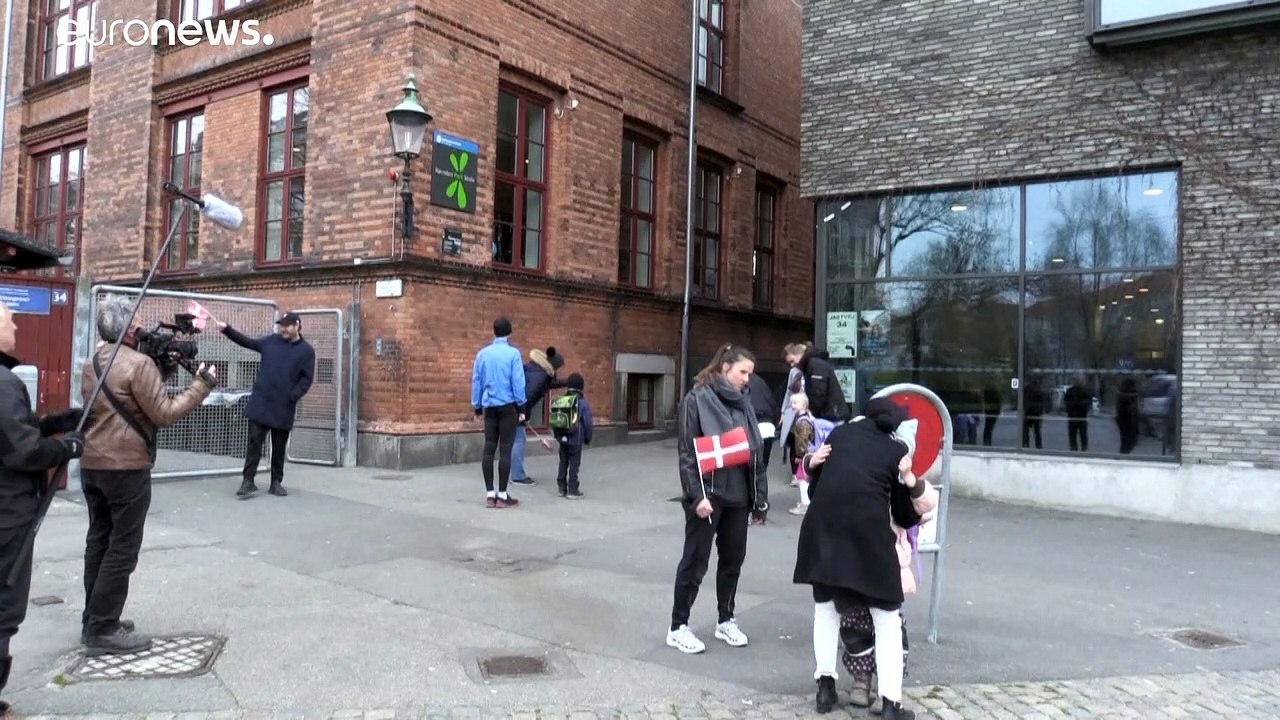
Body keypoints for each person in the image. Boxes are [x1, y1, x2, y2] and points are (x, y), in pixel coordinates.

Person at [80, 295, 217, 655]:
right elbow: (164, 412)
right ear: (126, 326)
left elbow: (130, 398)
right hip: (126, 468)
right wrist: (201, 385)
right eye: (136, 321)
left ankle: (93, 618)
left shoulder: (92, 362)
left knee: (98, 542)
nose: (140, 327)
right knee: (122, 549)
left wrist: (164, 368)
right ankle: (103, 629)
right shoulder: (138, 364)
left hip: (93, 465)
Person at [793, 398, 927, 719]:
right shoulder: (895, 452)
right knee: (886, 619)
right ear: (894, 427)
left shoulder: (838, 437)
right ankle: (891, 704)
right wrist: (911, 490)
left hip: (822, 532)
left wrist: (812, 467)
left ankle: (825, 688)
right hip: (868, 538)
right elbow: (904, 514)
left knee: (825, 610)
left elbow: (814, 493)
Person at [0, 302, 85, 714]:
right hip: (8, 511)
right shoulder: (2, 382)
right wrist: (62, 448)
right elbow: (21, 450)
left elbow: (10, 431)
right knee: (4, 606)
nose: (15, 325)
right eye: (8, 319)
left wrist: (53, 423)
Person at [666, 344, 769, 655]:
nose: (747, 379)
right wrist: (696, 496)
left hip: (739, 494)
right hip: (709, 495)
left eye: (750, 373)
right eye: (743, 372)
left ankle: (726, 619)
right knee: (696, 561)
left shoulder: (743, 403)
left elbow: (755, 454)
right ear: (725, 367)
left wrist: (759, 500)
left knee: (732, 561)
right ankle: (678, 626)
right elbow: (687, 452)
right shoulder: (696, 399)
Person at [216, 312, 314, 498]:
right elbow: (248, 342)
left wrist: (292, 396)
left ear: (297, 325)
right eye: (281, 325)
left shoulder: (306, 351)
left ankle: (276, 482)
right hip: (261, 402)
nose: (282, 329)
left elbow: (306, 379)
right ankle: (248, 481)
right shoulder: (271, 341)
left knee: (278, 446)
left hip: (283, 406)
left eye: (287, 325)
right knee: (254, 443)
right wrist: (227, 329)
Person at [472, 317, 526, 508]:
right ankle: (502, 496)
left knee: (488, 448)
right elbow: (518, 382)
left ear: (493, 332)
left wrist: (477, 405)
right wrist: (522, 407)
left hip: (490, 407)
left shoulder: (482, 355)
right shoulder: (513, 354)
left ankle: (489, 494)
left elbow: (476, 381)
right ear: (509, 333)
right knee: (505, 449)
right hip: (508, 406)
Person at [511, 346, 567, 485]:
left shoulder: (533, 367)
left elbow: (545, 385)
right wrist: (523, 413)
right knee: (519, 441)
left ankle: (510, 473)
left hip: (509, 406)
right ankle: (517, 476)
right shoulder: (542, 376)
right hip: (517, 410)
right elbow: (529, 395)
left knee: (511, 441)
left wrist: (566, 382)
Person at [552, 372, 593, 498]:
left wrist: (558, 436)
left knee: (563, 462)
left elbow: (555, 420)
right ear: (581, 387)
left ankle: (561, 488)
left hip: (563, 439)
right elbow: (587, 422)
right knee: (574, 464)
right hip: (576, 439)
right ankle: (572, 489)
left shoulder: (561, 400)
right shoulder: (582, 402)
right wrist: (587, 438)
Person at [796, 344, 851, 423]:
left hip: (832, 415)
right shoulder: (813, 364)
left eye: (792, 361)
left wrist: (811, 411)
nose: (792, 365)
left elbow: (818, 392)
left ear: (799, 355)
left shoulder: (815, 364)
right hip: (830, 413)